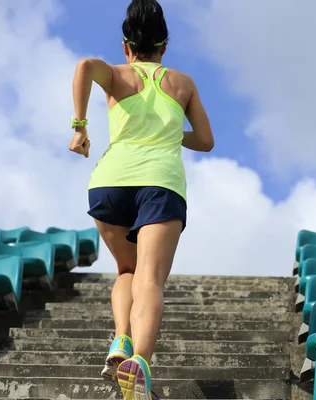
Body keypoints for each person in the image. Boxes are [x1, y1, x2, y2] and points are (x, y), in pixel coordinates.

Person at [69, 0, 214, 398]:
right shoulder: (181, 83)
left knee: (127, 272)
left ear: (125, 47)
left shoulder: (117, 75)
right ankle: (141, 364)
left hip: (110, 181)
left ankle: (120, 340)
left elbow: (83, 66)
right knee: (150, 279)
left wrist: (80, 127)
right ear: (163, 48)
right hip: (161, 184)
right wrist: (169, 133)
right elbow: (205, 140)